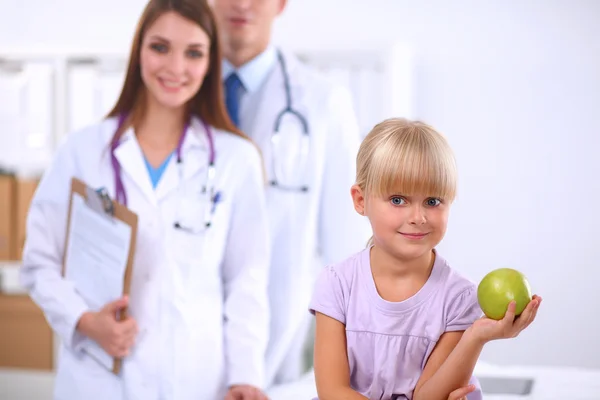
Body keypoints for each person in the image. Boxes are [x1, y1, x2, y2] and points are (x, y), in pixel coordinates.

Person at [19, 1, 271, 399]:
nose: (175, 67)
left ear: (210, 63)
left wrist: (246, 376)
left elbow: (247, 280)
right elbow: (38, 262)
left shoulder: (236, 160)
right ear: (138, 51)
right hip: (98, 379)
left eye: (193, 53)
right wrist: (84, 320)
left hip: (198, 381)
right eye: (160, 47)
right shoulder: (83, 151)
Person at [309, 118, 543, 400]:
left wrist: (476, 336)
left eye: (432, 201)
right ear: (361, 200)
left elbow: (427, 397)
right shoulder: (337, 284)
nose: (418, 218)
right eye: (398, 200)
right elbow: (332, 391)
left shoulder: (459, 296)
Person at [209, 0, 371, 387]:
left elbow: (345, 251)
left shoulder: (323, 102)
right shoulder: (175, 93)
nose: (242, 4)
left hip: (278, 340)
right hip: (186, 336)